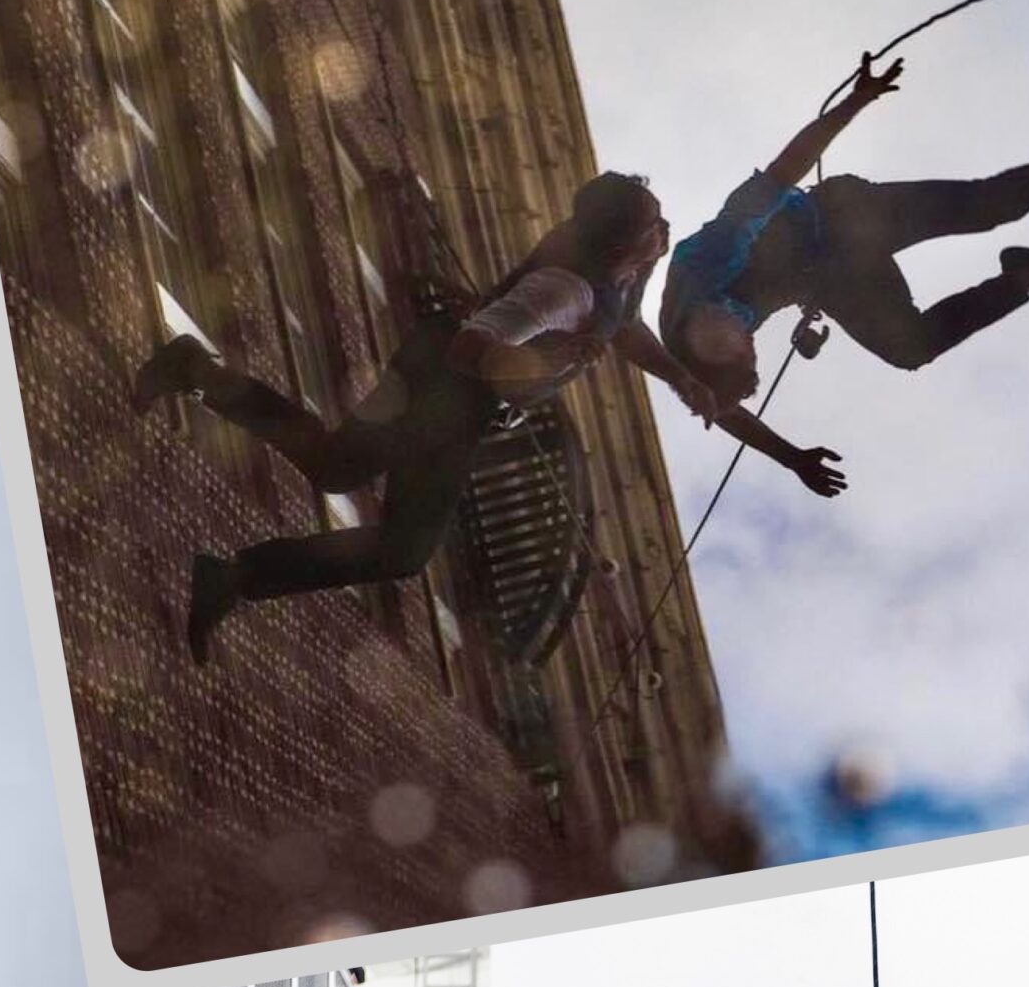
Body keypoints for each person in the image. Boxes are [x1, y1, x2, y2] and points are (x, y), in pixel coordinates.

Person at [130, 172, 845, 664]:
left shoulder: (621, 277)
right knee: (402, 552)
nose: (668, 229)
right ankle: (232, 577)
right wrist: (540, 364)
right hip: (443, 397)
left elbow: (631, 337)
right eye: (656, 225)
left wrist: (741, 420)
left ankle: (195, 374)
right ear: (627, 247)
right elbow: (477, 347)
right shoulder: (564, 290)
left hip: (428, 377)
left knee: (334, 464)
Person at [659, 52, 1029, 413]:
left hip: (841, 216)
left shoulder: (710, 260)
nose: (747, 329)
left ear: (701, 343)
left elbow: (787, 164)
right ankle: (1022, 274)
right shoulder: (718, 337)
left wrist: (857, 101)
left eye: (739, 338)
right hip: (834, 273)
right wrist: (791, 459)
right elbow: (726, 401)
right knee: (909, 348)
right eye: (747, 338)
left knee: (985, 204)